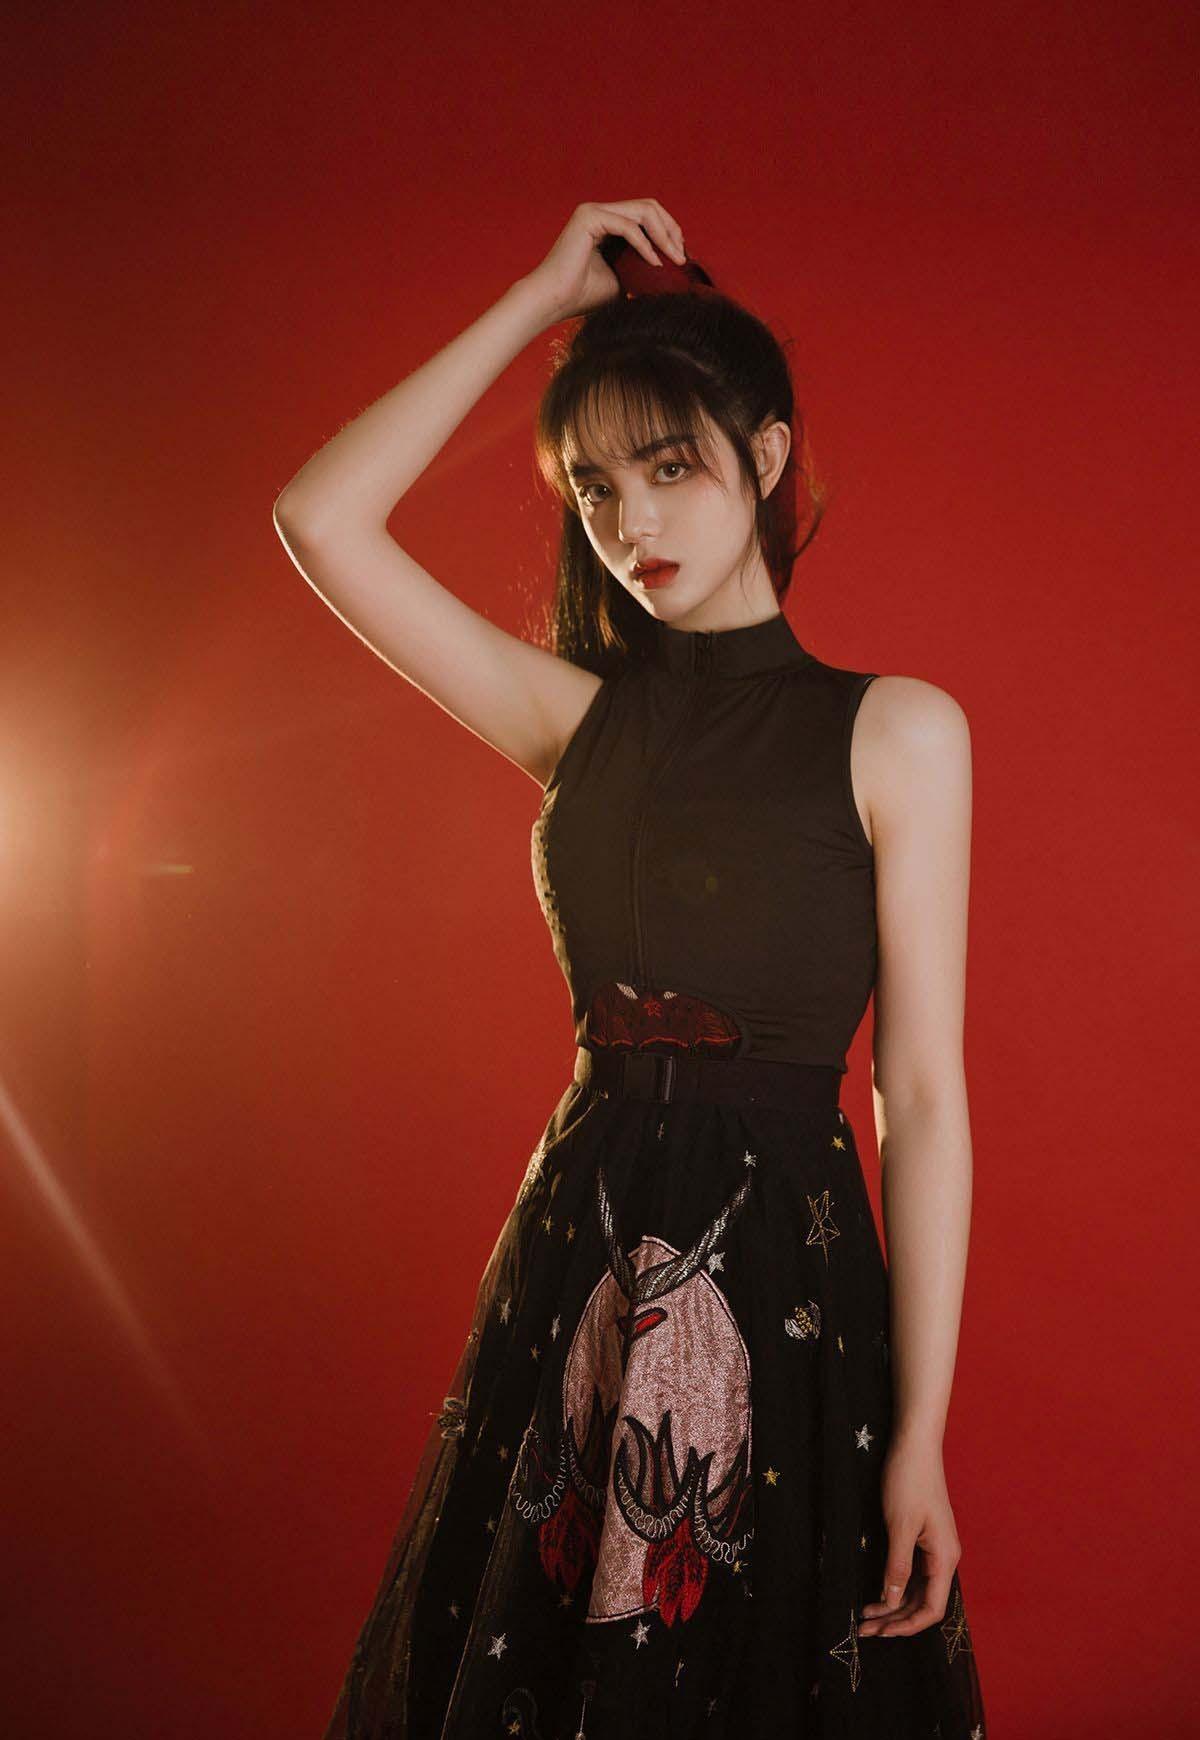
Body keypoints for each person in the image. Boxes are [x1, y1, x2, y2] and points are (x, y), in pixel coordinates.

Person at [273, 198, 988, 1739]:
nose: (628, 520)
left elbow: (922, 1099)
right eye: (593, 486)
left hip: (788, 1292)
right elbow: (321, 521)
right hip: (576, 1276)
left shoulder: (898, 732)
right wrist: (538, 299)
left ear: (768, 458)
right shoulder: (575, 721)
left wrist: (924, 1430)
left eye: (670, 468)